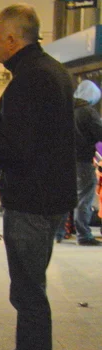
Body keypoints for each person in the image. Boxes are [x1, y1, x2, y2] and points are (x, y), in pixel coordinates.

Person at [0, 4, 75, 350]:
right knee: (31, 289)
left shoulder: (30, 80)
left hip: (32, 200)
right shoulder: (52, 72)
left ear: (13, 39)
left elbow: (15, 150)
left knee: (29, 295)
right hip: (50, 196)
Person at [63, 80, 102, 245]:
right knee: (84, 196)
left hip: (65, 159)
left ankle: (59, 232)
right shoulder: (87, 112)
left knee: (66, 195)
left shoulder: (67, 109)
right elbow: (99, 133)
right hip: (83, 160)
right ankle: (84, 235)